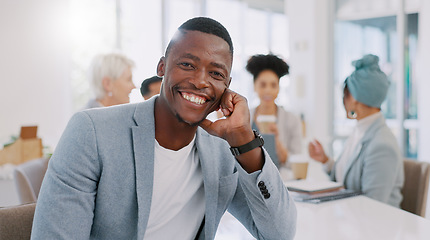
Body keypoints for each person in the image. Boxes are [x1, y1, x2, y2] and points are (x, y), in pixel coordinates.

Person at [32, 17, 296, 239]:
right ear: (161, 67)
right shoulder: (91, 133)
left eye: (215, 74)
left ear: (227, 85)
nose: (200, 81)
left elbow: (279, 233)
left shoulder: (223, 149)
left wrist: (245, 140)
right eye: (187, 65)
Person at [308, 54, 404, 208]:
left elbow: (373, 207)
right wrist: (325, 160)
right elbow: (345, 180)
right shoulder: (360, 131)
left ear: (353, 97)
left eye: (345, 95)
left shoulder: (381, 145)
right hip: (352, 221)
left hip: (375, 228)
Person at [246, 54, 303, 167]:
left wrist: (276, 140)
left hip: (281, 179)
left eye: (273, 85)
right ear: (254, 86)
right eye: (263, 85)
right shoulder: (245, 117)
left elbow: (295, 163)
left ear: (279, 88)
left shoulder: (292, 120)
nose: (268, 90)